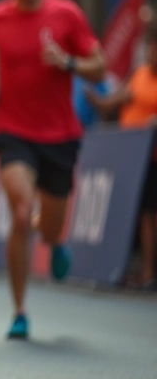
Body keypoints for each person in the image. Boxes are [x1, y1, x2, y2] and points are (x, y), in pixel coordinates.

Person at [0, 0, 105, 340]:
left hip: (60, 133)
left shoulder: (68, 15)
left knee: (47, 226)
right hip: (13, 130)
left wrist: (68, 62)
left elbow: (99, 66)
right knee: (21, 208)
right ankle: (19, 309)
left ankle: (54, 241)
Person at [84, 23, 157, 290]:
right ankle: (136, 270)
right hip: (133, 160)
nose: (153, 54)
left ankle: (149, 271)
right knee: (138, 215)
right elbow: (113, 101)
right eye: (151, 48)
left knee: (151, 215)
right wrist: (96, 99)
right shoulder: (138, 75)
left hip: (154, 159)